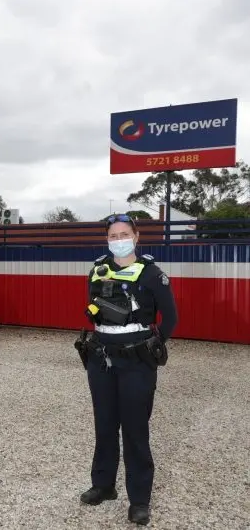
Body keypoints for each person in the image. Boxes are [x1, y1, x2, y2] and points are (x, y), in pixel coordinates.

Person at [75, 213, 178, 526]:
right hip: (101, 356)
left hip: (137, 360)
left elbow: (170, 318)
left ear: (135, 236)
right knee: (104, 424)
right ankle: (104, 485)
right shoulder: (98, 269)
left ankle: (140, 500)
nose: (117, 239)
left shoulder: (151, 273)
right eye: (112, 235)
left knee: (135, 429)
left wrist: (150, 344)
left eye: (123, 234)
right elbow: (94, 311)